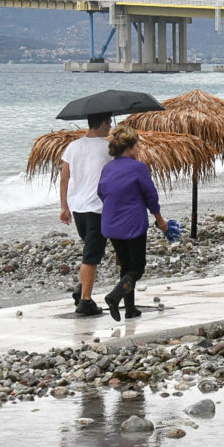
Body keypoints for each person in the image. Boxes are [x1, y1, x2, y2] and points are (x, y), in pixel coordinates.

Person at [98, 126, 168, 322]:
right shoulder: (138, 168)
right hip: (132, 223)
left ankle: (130, 309)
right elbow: (150, 196)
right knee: (137, 267)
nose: (139, 149)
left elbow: (101, 193)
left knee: (126, 265)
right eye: (137, 146)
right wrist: (160, 220)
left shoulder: (108, 168)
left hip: (111, 223)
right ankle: (114, 297)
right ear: (129, 147)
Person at [60, 112, 113, 316]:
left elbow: (64, 178)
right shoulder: (108, 147)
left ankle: (81, 289)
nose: (110, 126)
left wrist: (64, 206)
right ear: (101, 123)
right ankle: (86, 301)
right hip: (97, 207)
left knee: (90, 250)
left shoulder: (73, 146)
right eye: (108, 122)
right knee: (91, 256)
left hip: (77, 206)